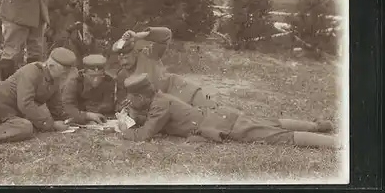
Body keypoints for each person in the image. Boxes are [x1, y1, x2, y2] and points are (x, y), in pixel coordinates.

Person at [117, 74, 341, 149]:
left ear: (141, 96)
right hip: (221, 116)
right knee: (273, 123)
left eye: (131, 98)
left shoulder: (159, 105)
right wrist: (132, 117)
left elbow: (145, 135)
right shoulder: (158, 99)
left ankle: (336, 142)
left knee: (277, 136)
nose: (129, 101)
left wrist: (122, 129)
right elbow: (150, 120)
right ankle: (322, 126)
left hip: (222, 123)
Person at [112, 26, 220, 121]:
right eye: (120, 59)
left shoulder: (149, 54)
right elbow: (121, 103)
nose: (123, 62)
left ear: (135, 53)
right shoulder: (122, 76)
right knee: (198, 120)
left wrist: (139, 36)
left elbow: (166, 34)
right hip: (164, 106)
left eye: (126, 57)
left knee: (214, 111)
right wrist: (125, 106)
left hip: (178, 90)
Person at [62, 54, 116, 124]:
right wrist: (87, 115)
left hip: (100, 117)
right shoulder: (75, 82)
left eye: (100, 76)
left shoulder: (108, 81)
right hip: (78, 117)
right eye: (92, 76)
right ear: (84, 73)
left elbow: (108, 104)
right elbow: (66, 107)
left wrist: (96, 112)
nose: (96, 80)